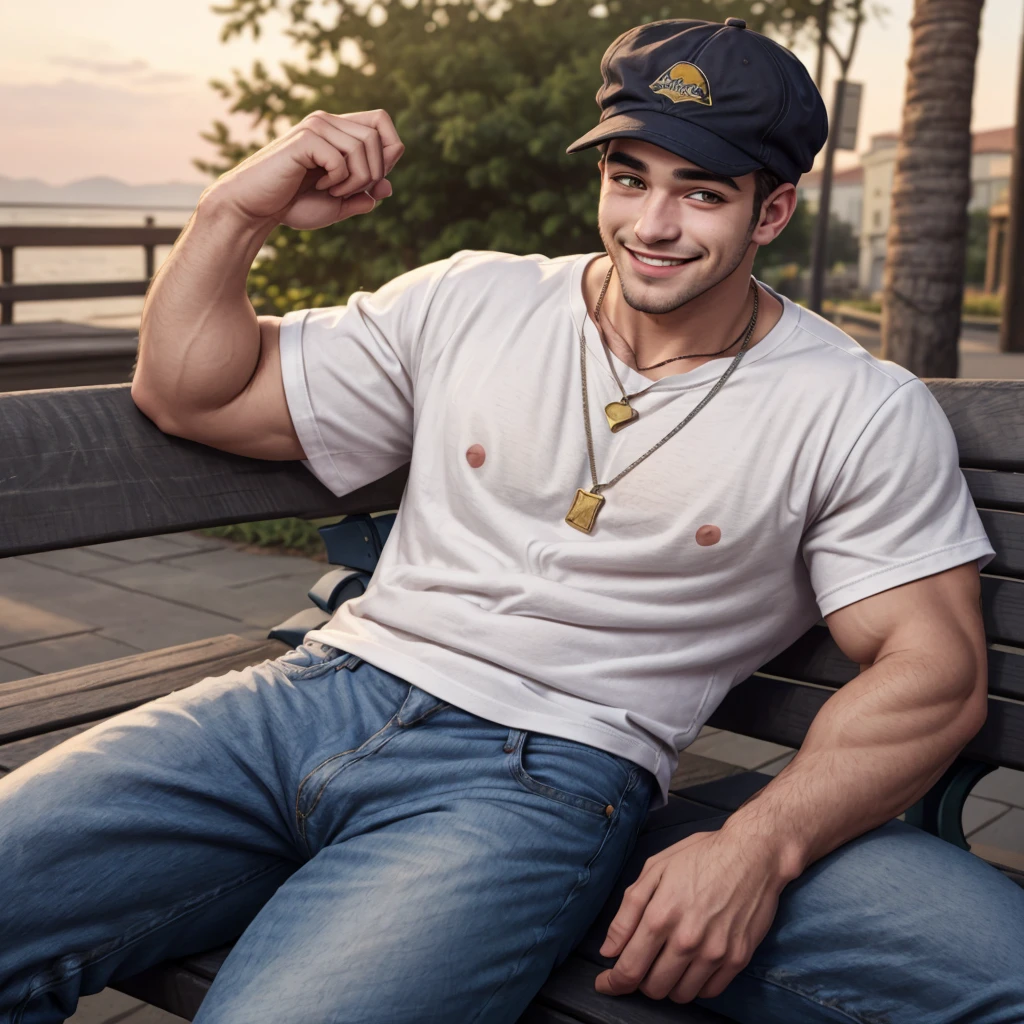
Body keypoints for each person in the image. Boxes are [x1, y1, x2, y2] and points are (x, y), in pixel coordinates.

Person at [2, 16, 1023, 1024]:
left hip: (539, 775)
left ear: (772, 212)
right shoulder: (472, 300)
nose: (651, 225)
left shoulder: (853, 406)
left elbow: (932, 675)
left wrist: (755, 846)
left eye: (700, 194)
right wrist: (236, 210)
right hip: (310, 693)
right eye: (630, 178)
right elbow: (192, 395)